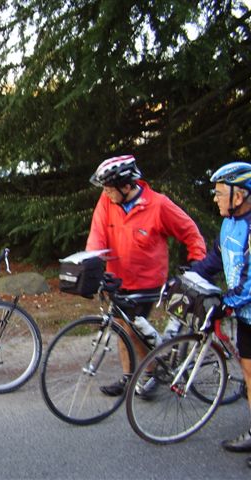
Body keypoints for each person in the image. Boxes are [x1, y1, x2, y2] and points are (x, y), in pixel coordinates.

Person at [86, 154, 207, 396]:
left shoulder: (158, 205)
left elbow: (190, 231)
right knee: (121, 327)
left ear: (126, 186)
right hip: (117, 277)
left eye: (109, 188)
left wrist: (198, 263)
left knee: (133, 330)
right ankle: (129, 377)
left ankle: (151, 374)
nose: (106, 192)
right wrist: (92, 265)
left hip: (147, 281)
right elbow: (97, 235)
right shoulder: (107, 201)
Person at [190, 161, 251, 468]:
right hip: (246, 315)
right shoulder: (230, 223)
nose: (215, 198)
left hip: (245, 306)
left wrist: (227, 301)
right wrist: (190, 275)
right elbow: (215, 258)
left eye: (219, 193)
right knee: (249, 372)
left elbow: (249, 283)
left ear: (238, 195)